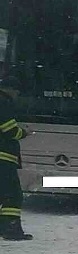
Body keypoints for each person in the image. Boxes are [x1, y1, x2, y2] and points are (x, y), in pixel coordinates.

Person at [0, 80, 33, 241]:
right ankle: (11, 229)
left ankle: (5, 227)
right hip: (3, 158)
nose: (17, 95)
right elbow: (10, 130)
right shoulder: (3, 102)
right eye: (17, 92)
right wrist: (24, 133)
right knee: (13, 195)